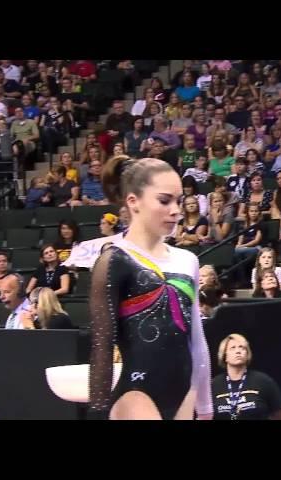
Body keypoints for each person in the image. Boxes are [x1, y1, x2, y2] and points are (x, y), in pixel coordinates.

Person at [88, 155, 212, 420]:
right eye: (164, 201)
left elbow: (197, 339)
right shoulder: (115, 260)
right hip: (137, 395)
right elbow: (102, 345)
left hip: (184, 393)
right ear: (134, 202)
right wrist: (97, 411)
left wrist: (206, 405)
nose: (176, 210)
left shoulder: (187, 260)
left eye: (179, 201)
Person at [212, 334, 281, 420]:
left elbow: (280, 414)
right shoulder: (214, 385)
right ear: (225, 356)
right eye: (233, 348)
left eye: (242, 348)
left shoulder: (263, 381)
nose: (238, 351)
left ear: (247, 354)